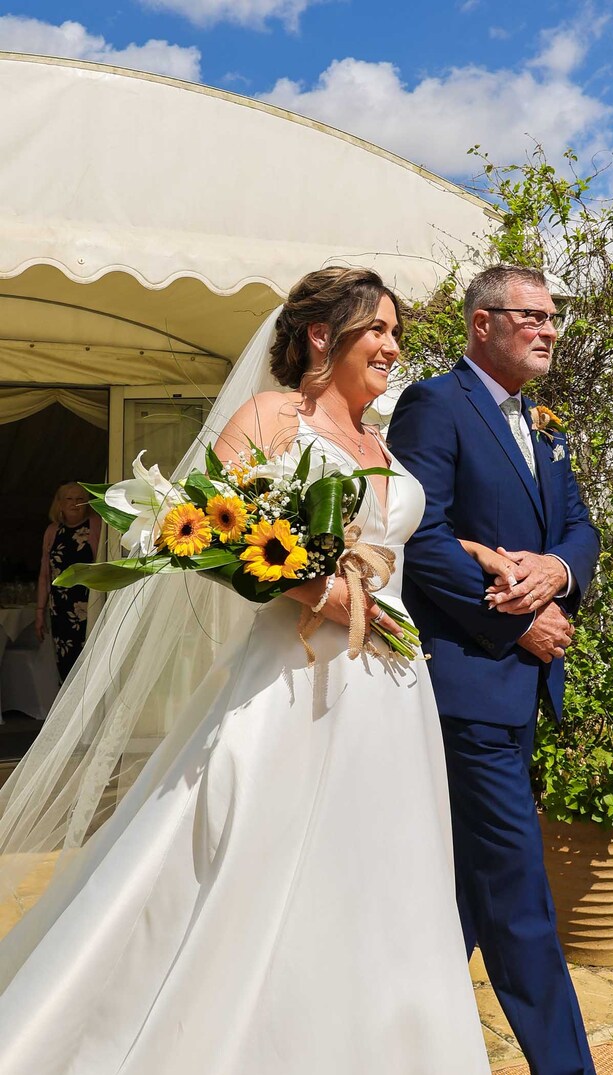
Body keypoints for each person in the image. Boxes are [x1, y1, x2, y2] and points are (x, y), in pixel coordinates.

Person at [0, 268, 491, 1075]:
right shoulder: (271, 416)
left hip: (391, 691)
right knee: (255, 853)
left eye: (397, 332)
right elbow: (202, 533)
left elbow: (395, 540)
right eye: (380, 329)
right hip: (294, 674)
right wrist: (320, 588)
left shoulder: (383, 438)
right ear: (324, 337)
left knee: (381, 869)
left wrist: (462, 556)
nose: (395, 346)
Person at [388, 264, 601, 1075]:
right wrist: (518, 620)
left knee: (463, 895)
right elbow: (422, 539)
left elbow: (579, 526)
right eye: (533, 315)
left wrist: (558, 571)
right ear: (483, 324)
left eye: (554, 316)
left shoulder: (543, 421)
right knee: (515, 893)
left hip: (520, 697)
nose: (549, 328)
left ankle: (402, 1042)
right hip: (469, 684)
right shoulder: (437, 405)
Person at [35, 482, 101, 682]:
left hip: (88, 603)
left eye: (80, 499)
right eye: (69, 499)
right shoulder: (53, 531)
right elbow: (45, 574)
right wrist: (40, 611)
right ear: (60, 504)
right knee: (65, 660)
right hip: (60, 607)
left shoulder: (95, 525)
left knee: (90, 657)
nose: (75, 504)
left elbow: (103, 564)